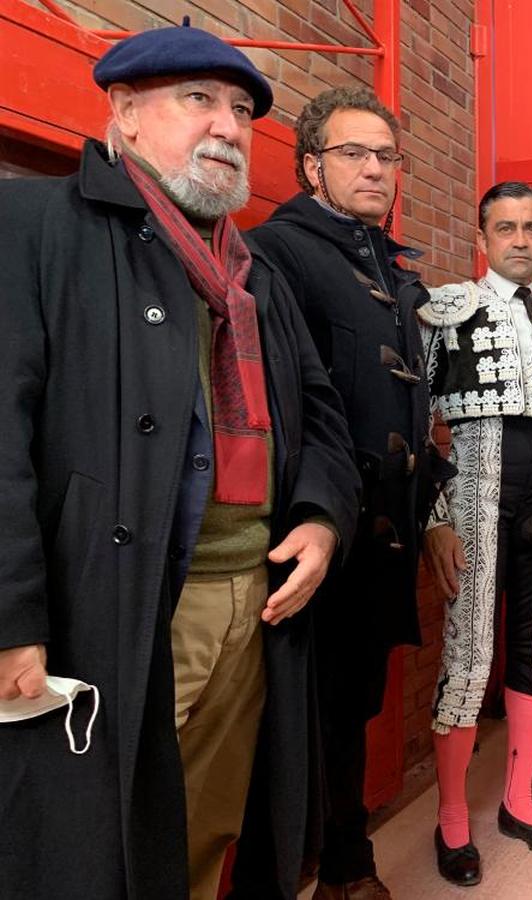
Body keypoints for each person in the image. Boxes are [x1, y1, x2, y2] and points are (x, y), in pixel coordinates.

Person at [0, 22, 358, 900]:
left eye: (241, 109)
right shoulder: (35, 225)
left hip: (254, 605)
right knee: (94, 843)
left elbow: (320, 418)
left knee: (207, 822)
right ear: (123, 112)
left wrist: (318, 518)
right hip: (117, 604)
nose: (229, 126)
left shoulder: (255, 274)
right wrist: (12, 615)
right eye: (198, 99)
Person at [245, 86, 442, 900]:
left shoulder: (385, 260)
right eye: (353, 153)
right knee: (298, 713)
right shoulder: (276, 251)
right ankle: (318, 867)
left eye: (386, 156)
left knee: (353, 701)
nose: (374, 169)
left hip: (381, 528)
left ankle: (342, 858)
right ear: (309, 166)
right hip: (308, 525)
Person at [420, 181, 532, 886]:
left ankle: (519, 803)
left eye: (531, 228)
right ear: (483, 240)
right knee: (466, 661)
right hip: (472, 503)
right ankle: (453, 819)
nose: (519, 240)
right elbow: (414, 416)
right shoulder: (447, 313)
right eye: (505, 228)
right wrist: (434, 517)